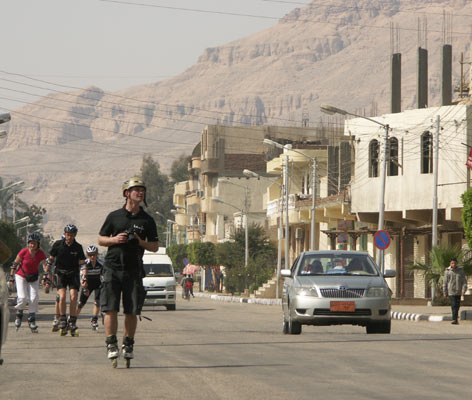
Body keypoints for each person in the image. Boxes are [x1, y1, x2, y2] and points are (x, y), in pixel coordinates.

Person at [98, 177, 158, 367]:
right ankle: (111, 343)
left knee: (132, 310)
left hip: (134, 270)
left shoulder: (147, 220)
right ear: (126, 193)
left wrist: (140, 242)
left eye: (142, 190)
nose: (140, 193)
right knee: (111, 308)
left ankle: (128, 344)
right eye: (136, 190)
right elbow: (101, 239)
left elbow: (155, 246)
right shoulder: (114, 216)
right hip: (112, 268)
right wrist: (115, 239)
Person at [44, 224, 86, 336]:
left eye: (72, 235)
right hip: (61, 274)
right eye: (68, 234)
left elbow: (82, 264)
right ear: (64, 234)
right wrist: (46, 274)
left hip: (73, 274)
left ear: (75, 235)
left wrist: (84, 277)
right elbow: (50, 260)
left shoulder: (78, 247)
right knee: (62, 297)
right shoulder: (58, 245)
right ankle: (62, 319)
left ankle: (72, 321)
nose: (69, 237)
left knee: (74, 297)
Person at [8, 233, 46, 333]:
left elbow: (45, 265)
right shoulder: (23, 252)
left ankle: (32, 319)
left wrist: (46, 276)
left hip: (33, 277)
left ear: (38, 244)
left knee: (34, 298)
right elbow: (14, 264)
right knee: (23, 298)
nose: (32, 245)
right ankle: (19, 313)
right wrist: (11, 278)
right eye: (31, 243)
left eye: (35, 243)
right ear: (28, 243)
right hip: (21, 276)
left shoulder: (41, 253)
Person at [76, 245, 104, 331]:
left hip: (97, 283)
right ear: (87, 255)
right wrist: (83, 285)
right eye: (90, 255)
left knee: (97, 302)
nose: (92, 257)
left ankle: (94, 319)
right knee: (81, 303)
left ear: (97, 255)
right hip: (88, 283)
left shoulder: (101, 263)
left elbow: (105, 274)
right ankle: (73, 319)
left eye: (94, 255)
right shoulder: (85, 264)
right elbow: (82, 276)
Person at [443, 257, 467, 324]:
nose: (453, 264)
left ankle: (455, 318)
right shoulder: (447, 271)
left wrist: (464, 290)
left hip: (458, 291)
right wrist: (445, 293)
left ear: (457, 263)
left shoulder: (461, 271)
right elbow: (445, 282)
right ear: (450, 264)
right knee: (453, 305)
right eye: (452, 263)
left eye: (455, 263)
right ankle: (454, 319)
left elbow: (464, 281)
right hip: (451, 291)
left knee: (457, 305)